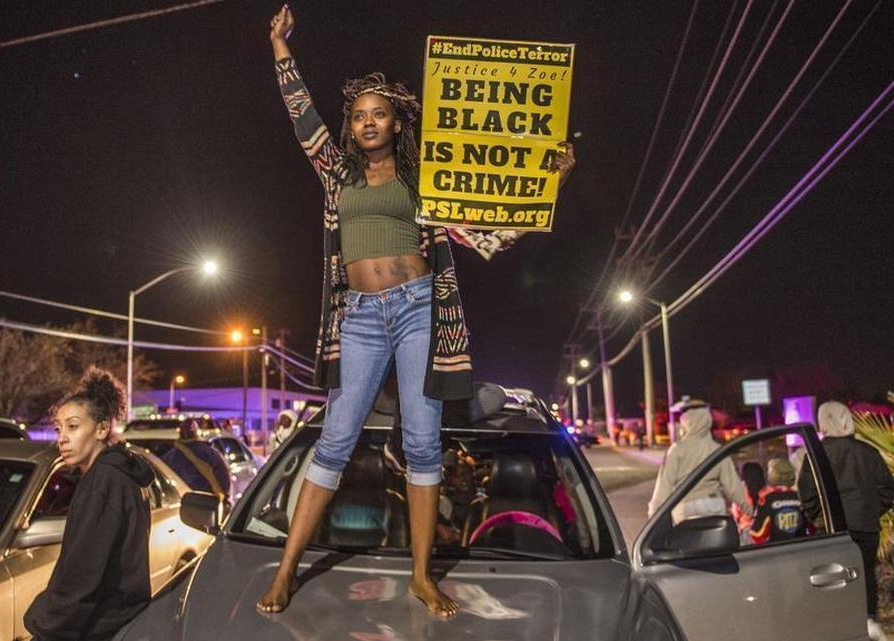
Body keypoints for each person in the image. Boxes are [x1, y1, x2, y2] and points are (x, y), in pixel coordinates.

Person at [258, 4, 575, 618]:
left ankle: (422, 576)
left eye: (380, 114)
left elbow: (490, 234)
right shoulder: (335, 174)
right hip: (359, 315)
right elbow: (301, 114)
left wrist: (550, 181)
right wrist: (279, 47)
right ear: (348, 128)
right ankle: (287, 568)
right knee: (336, 437)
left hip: (418, 310)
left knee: (424, 444)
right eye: (359, 116)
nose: (368, 123)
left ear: (397, 123)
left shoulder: (424, 182)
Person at [24, 368, 156, 641]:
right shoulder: (117, 473)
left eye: (73, 426)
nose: (62, 437)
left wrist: (44, 629)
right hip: (116, 620)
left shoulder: (102, 483)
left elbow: (82, 574)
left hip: (98, 627)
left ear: (102, 428)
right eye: (58, 428)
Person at [799, 401, 894, 640]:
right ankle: (868, 621)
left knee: (832, 581)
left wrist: (821, 519)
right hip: (866, 527)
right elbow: (887, 490)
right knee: (865, 575)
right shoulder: (868, 452)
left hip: (832, 531)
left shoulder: (816, 455)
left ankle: (839, 627)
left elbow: (807, 496)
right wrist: (871, 511)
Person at [647, 398, 751, 522]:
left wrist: (653, 514)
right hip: (713, 504)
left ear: (685, 422)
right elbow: (733, 486)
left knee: (687, 540)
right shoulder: (716, 450)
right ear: (708, 421)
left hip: (684, 507)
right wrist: (748, 509)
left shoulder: (676, 450)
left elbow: (664, 485)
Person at [160, 418, 231, 499]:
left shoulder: (168, 458)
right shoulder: (210, 453)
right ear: (196, 432)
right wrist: (224, 497)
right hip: (207, 503)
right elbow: (223, 477)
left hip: (178, 502)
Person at [748, 458, 806, 545]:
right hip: (802, 548)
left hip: (776, 550)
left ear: (773, 474)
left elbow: (757, 534)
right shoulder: (801, 497)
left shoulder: (766, 500)